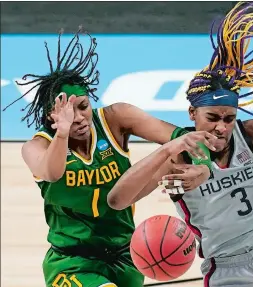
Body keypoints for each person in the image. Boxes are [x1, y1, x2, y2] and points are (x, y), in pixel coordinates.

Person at [107, 2, 253, 287]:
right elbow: (116, 200)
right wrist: (167, 149)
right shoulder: (178, 156)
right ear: (193, 114)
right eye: (213, 117)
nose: (221, 126)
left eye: (229, 118)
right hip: (231, 269)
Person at [3, 28, 217, 287]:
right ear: (51, 115)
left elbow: (184, 137)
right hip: (72, 262)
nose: (80, 117)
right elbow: (52, 173)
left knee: (177, 157)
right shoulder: (36, 147)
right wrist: (62, 132)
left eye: (83, 106)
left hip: (126, 256)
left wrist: (204, 167)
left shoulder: (116, 119)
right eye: (70, 112)